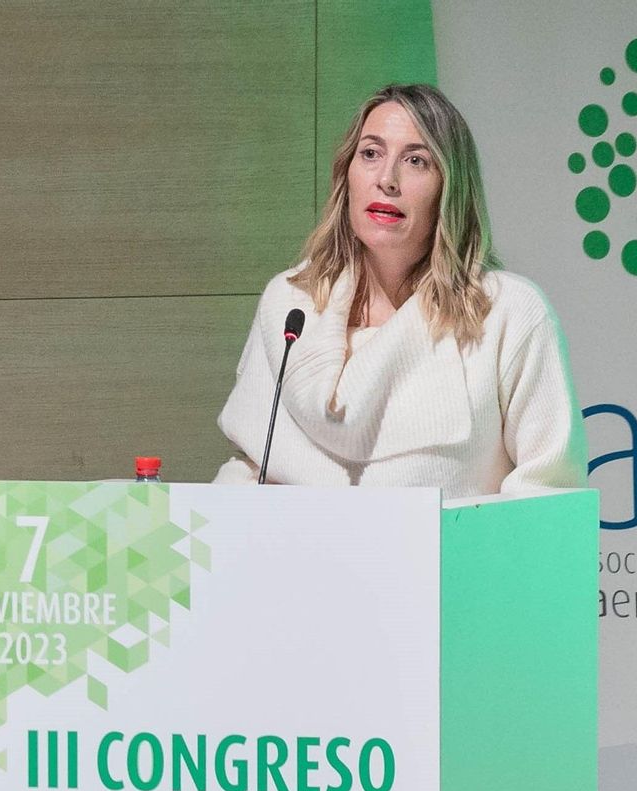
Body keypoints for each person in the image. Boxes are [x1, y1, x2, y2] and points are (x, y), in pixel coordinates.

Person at [213, 83, 586, 495]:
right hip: (299, 557)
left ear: (450, 187)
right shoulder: (290, 304)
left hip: (454, 559)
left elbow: (548, 495)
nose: (387, 179)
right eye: (370, 154)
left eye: (416, 161)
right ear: (346, 176)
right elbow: (252, 467)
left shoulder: (505, 313)